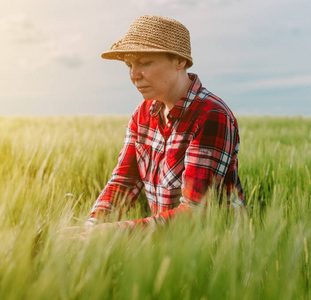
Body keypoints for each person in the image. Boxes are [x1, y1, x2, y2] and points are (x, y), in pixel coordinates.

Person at [67, 15, 245, 235]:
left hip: (217, 253)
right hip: (165, 247)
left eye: (145, 63)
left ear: (179, 61)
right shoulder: (142, 115)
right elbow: (123, 182)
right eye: (129, 65)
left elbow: (196, 213)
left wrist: (111, 234)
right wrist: (89, 231)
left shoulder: (211, 116)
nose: (133, 75)